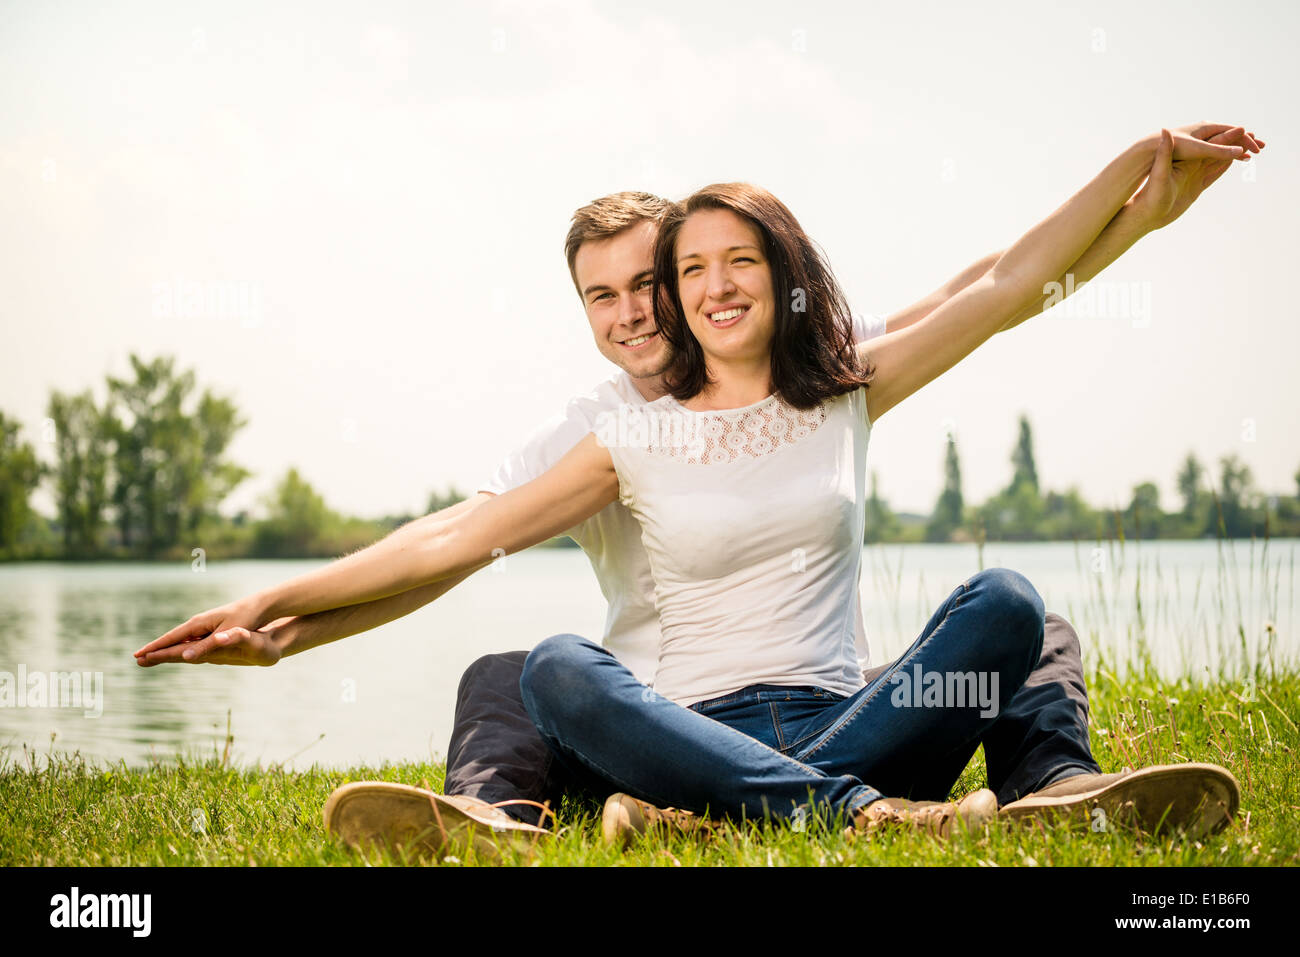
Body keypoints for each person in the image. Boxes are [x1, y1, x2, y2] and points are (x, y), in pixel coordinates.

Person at [134, 124, 1260, 856]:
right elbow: (459, 537)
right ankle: (773, 810)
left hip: (837, 712)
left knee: (1016, 609)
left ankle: (1025, 788)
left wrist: (1141, 186)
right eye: (605, 295)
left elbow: (1001, 282)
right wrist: (277, 616)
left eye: (658, 281)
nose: (637, 310)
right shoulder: (615, 432)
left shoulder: (834, 382)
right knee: (540, 667)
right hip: (669, 719)